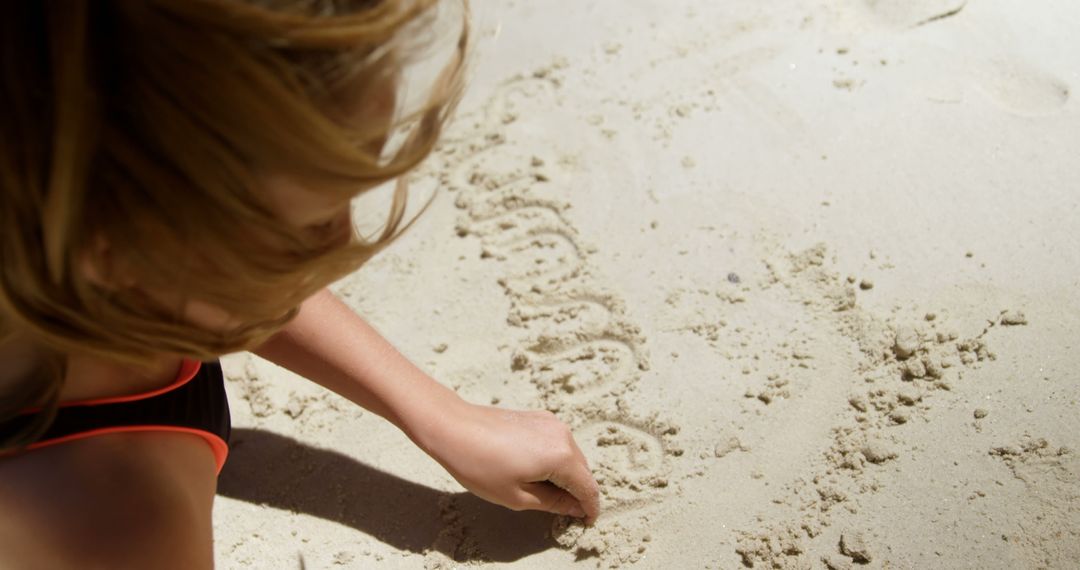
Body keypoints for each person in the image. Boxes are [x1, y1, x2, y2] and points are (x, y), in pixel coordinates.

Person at [0, 1, 600, 567]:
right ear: (117, 244)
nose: (342, 244)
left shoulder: (60, 191)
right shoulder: (113, 522)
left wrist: (436, 412)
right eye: (309, 227)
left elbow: (225, 273)